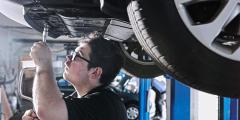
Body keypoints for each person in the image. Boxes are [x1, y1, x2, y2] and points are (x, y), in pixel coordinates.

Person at [22, 34, 128, 120]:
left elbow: (46, 110)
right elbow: (48, 112)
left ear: (95, 72)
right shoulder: (78, 100)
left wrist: (43, 64)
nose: (68, 58)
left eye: (77, 56)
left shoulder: (106, 105)